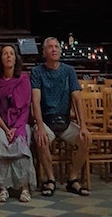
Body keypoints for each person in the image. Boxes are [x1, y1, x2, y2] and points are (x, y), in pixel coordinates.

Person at [30, 35, 90, 198]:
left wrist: (83, 126)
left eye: (56, 46)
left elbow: (77, 99)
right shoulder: (37, 72)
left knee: (84, 139)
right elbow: (35, 100)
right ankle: (50, 178)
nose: (54, 49)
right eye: (50, 47)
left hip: (64, 120)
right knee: (41, 139)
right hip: (46, 121)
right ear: (44, 52)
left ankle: (73, 178)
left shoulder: (69, 71)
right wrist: (40, 127)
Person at [0, 43, 36, 204]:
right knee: (1, 141)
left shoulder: (23, 80)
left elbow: (25, 109)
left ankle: (24, 187)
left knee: (21, 144)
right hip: (1, 123)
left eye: (11, 53)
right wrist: (6, 128)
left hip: (20, 123)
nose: (8, 56)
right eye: (5, 54)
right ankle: (2, 188)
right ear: (0, 59)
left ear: (16, 58)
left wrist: (15, 128)